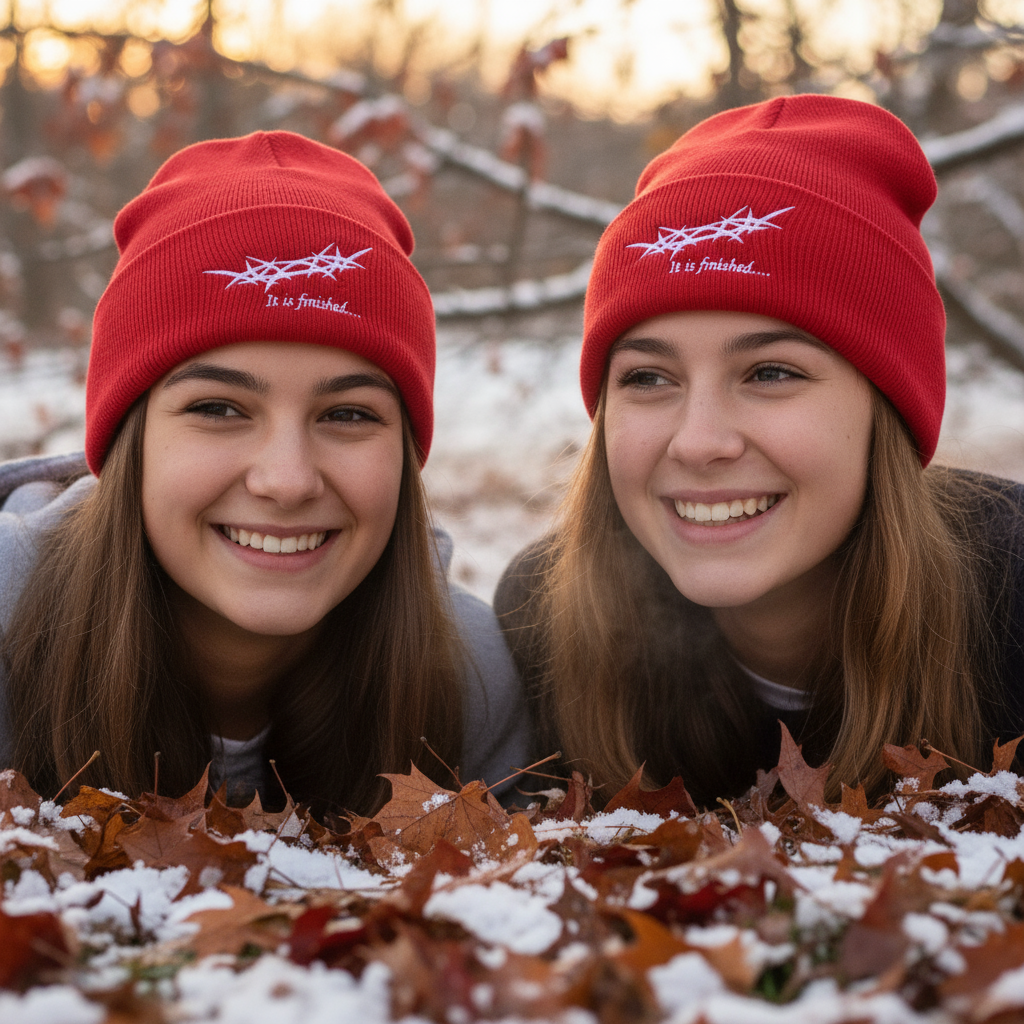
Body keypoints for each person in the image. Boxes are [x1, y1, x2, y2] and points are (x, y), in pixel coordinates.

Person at [495, 95, 1024, 809]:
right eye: (648, 378)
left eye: (770, 373)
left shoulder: (1012, 593)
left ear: (887, 409)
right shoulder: (546, 621)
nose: (699, 442)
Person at [0, 131, 528, 815]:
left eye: (347, 415)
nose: (287, 480)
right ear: (129, 441)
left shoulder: (466, 677)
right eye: (218, 408)